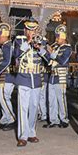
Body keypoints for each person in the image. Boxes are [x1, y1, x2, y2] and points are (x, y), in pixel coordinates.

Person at [13, 18, 50, 147]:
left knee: (34, 107)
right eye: (29, 29)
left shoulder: (42, 41)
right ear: (25, 30)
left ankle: (31, 133)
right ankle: (22, 136)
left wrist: (39, 47)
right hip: (23, 77)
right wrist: (28, 42)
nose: (32, 32)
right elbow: (16, 55)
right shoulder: (19, 40)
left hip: (36, 78)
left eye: (34, 29)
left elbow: (48, 59)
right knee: (23, 108)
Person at [44, 24, 72, 128]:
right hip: (52, 75)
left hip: (61, 76)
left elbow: (62, 60)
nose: (56, 39)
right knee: (51, 99)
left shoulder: (67, 48)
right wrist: (46, 51)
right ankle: (53, 120)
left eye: (58, 37)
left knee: (61, 99)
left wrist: (53, 54)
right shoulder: (55, 47)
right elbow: (48, 62)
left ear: (63, 37)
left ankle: (64, 119)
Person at [0, 23, 16, 131]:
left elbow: (7, 61)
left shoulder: (7, 46)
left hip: (7, 76)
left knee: (4, 98)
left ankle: (11, 119)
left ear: (5, 36)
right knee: (2, 99)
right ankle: (5, 120)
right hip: (5, 76)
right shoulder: (5, 46)